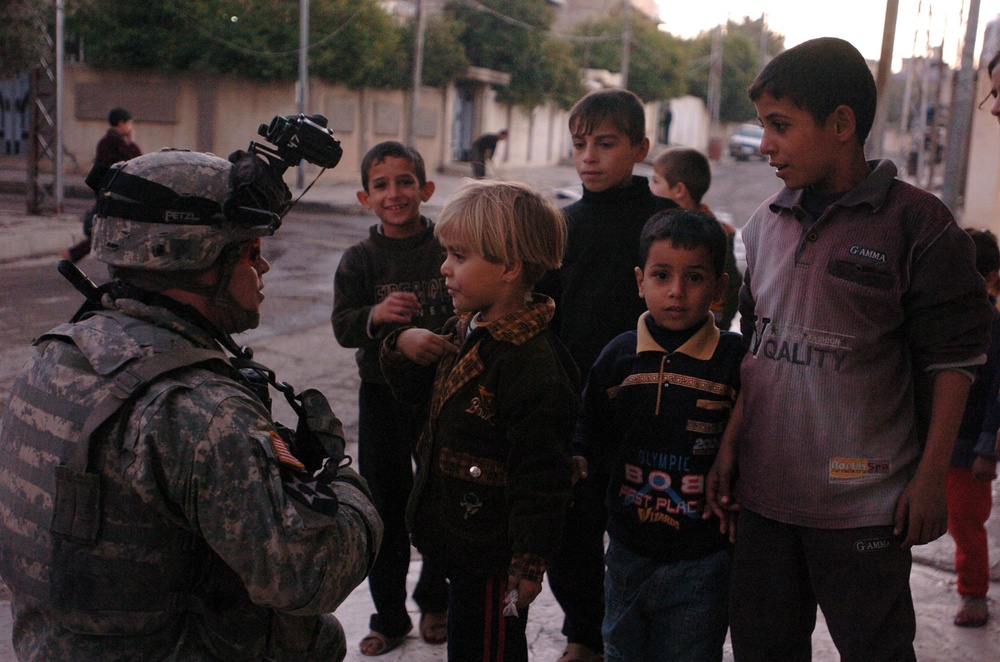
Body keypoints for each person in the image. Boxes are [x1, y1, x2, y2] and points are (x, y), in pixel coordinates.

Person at [0, 148, 383, 660]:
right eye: (249, 252)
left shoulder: (53, 358)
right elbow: (306, 576)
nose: (264, 265)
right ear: (199, 262)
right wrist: (346, 485)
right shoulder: (203, 411)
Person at [705, 37, 993, 661]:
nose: (768, 145)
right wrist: (732, 440)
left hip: (865, 508)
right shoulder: (764, 224)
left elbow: (955, 363)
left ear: (841, 124)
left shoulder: (918, 225)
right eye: (763, 128)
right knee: (763, 649)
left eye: (781, 126)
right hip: (765, 498)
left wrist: (928, 480)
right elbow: (753, 344)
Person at [380, 180, 579, 662]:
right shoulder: (466, 329)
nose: (444, 267)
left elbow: (542, 475)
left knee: (490, 647)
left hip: (496, 559)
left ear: (510, 267)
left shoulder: (532, 365)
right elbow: (415, 398)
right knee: (469, 643)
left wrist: (528, 563)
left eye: (459, 256)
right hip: (462, 540)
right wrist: (402, 345)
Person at [538, 87, 676, 662]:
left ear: (641, 148)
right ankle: (584, 633)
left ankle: (643, 631)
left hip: (653, 409)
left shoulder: (665, 225)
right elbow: (542, 317)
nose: (589, 156)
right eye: (579, 144)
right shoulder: (559, 227)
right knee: (570, 533)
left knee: (644, 528)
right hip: (577, 409)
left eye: (605, 143)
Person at [575, 209, 742, 662]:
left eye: (694, 278)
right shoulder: (619, 356)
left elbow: (751, 439)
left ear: (719, 287)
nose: (676, 292)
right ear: (639, 280)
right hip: (627, 551)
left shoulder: (732, 361)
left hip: (702, 560)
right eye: (662, 275)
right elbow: (588, 430)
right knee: (622, 652)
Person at [332, 141, 451, 655]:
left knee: (441, 499)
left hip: (441, 395)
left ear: (426, 189)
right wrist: (379, 320)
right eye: (381, 185)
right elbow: (343, 327)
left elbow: (470, 303)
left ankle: (436, 601)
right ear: (364, 198)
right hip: (381, 397)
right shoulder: (359, 260)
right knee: (384, 505)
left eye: (405, 182)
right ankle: (388, 615)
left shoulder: (448, 245)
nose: (394, 193)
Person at [947, 229, 1000, 628]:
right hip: (932, 438)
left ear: (992, 277)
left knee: (966, 522)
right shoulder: (937, 321)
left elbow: (998, 395)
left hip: (967, 447)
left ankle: (974, 592)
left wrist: (987, 448)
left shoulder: (996, 329)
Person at [650, 146, 741, 330]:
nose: (650, 186)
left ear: (679, 190)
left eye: (655, 180)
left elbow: (730, 287)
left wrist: (717, 325)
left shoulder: (709, 234)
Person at [61, 107, 143, 263]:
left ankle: (73, 254)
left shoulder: (107, 142)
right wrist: (132, 143)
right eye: (129, 124)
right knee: (109, 231)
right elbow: (137, 161)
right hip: (115, 194)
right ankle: (72, 254)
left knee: (109, 231)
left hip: (110, 192)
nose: (131, 127)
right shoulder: (115, 143)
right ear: (121, 123)